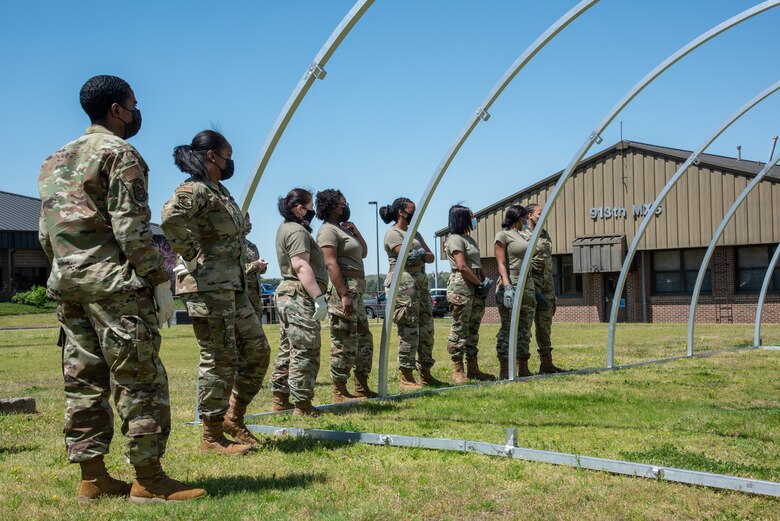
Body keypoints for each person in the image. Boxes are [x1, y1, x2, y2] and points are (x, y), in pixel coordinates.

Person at [38, 75, 203, 503]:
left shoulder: (54, 160)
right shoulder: (120, 153)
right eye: (132, 105)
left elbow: (45, 234)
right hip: (115, 286)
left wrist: (68, 269)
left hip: (69, 286)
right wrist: (159, 279)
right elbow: (131, 231)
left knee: (83, 381)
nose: (136, 113)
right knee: (139, 380)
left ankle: (92, 479)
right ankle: (148, 480)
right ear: (116, 110)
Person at [161, 130, 271, 454]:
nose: (230, 161)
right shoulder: (194, 189)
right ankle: (211, 435)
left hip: (232, 286)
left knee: (257, 352)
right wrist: (191, 254)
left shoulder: (219, 191)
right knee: (219, 359)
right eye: (228, 154)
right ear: (211, 156)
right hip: (207, 288)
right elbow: (170, 218)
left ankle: (233, 417)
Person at [270, 188, 330, 416]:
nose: (313, 210)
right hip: (298, 293)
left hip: (289, 293)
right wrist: (318, 297)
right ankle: (302, 405)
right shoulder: (297, 231)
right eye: (310, 206)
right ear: (300, 208)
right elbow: (301, 266)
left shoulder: (286, 228)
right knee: (306, 347)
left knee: (288, 347)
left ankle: (280, 398)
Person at [315, 189, 377, 401]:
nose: (346, 207)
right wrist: (343, 294)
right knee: (344, 339)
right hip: (344, 288)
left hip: (356, 287)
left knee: (363, 339)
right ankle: (339, 391)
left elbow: (364, 252)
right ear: (331, 207)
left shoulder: (343, 230)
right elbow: (330, 263)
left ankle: (361, 386)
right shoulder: (327, 231)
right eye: (342, 204)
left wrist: (355, 232)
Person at [380, 197, 446, 389]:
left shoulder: (413, 233)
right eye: (412, 210)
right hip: (403, 283)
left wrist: (421, 256)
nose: (415, 214)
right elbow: (405, 258)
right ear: (401, 211)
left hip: (420, 281)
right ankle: (406, 376)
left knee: (426, 328)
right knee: (409, 328)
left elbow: (431, 256)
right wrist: (418, 256)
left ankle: (426, 373)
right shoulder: (393, 233)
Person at [444, 205, 495, 384]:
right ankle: (458, 370)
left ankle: (473, 369)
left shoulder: (469, 239)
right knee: (460, 328)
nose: (475, 218)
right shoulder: (455, 239)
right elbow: (462, 266)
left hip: (475, 285)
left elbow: (476, 263)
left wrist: (484, 279)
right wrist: (479, 283)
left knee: (473, 329)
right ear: (461, 218)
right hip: (462, 286)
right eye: (471, 216)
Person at [494, 205, 537, 378]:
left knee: (525, 328)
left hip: (526, 285)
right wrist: (507, 286)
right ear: (519, 218)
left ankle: (523, 367)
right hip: (511, 284)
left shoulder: (522, 235)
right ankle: (505, 368)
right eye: (525, 217)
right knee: (508, 327)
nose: (527, 220)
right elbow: (501, 263)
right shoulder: (503, 235)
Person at [525, 203, 566, 373]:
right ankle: (521, 365)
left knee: (545, 325)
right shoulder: (524, 236)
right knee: (525, 326)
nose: (543, 216)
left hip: (547, 286)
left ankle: (546, 363)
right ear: (529, 216)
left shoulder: (544, 234)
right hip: (532, 287)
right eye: (539, 213)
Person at [243, 212, 269, 315]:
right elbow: (235, 270)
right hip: (243, 298)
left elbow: (256, 270)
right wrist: (256, 265)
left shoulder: (251, 246)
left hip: (255, 299)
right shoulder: (233, 245)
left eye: (249, 221)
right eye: (246, 221)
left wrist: (262, 267)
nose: (249, 224)